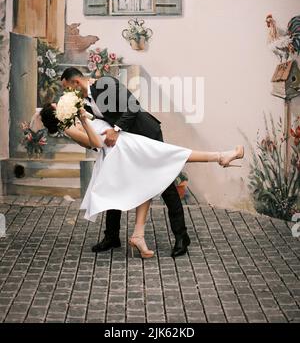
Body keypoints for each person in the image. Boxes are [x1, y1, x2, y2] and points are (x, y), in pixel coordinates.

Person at [40, 103, 244, 259]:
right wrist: (84, 119)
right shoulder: (69, 128)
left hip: (126, 145)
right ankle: (221, 156)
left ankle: (138, 236)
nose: (61, 103)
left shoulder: (75, 117)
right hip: (123, 149)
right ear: (57, 116)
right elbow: (95, 142)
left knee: (151, 178)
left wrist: (83, 114)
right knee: (171, 155)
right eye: (57, 106)